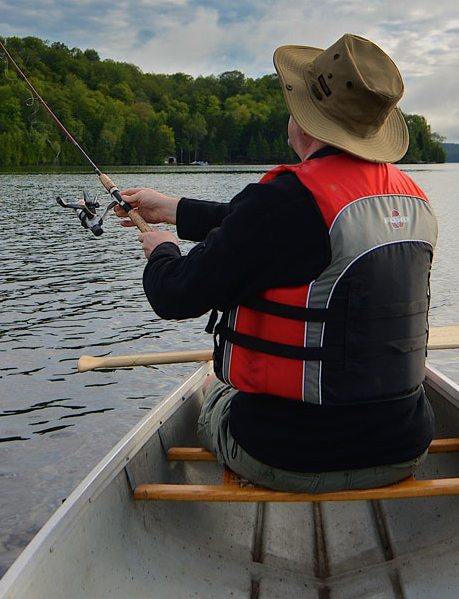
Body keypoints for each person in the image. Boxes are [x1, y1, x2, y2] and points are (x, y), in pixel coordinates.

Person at [119, 33, 438, 493]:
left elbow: (175, 293)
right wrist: (173, 209)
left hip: (289, 454)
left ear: (305, 122)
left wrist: (162, 250)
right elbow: (263, 229)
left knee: (214, 391)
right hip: (405, 446)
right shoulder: (413, 199)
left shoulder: (283, 203)